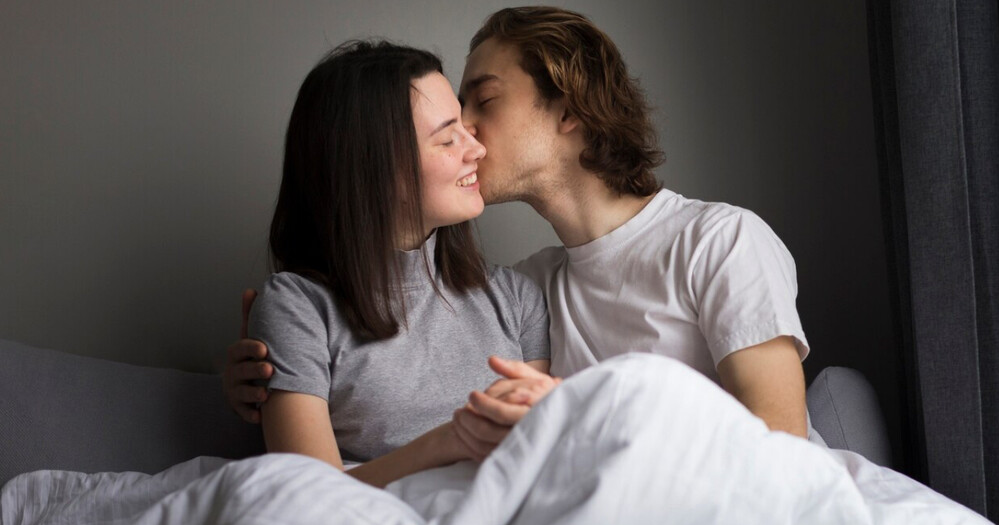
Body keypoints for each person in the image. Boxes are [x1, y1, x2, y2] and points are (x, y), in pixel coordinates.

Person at [225, 6, 810, 451]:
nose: (468, 133)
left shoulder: (719, 241)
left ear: (570, 109)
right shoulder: (529, 289)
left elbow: (780, 444)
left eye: (483, 102)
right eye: (451, 122)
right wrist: (274, 380)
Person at [244, 39, 556, 488]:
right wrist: (450, 441)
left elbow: (536, 460)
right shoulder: (298, 309)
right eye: (448, 138)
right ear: (371, 165)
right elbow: (308, 494)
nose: (476, 149)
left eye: (466, 129)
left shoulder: (516, 299)